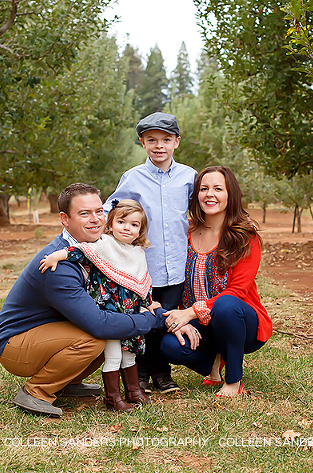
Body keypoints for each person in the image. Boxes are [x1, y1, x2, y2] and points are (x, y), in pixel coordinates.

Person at [0, 184, 167, 417]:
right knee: (97, 338)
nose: (95, 220)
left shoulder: (101, 249)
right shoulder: (58, 265)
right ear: (65, 219)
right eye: (84, 214)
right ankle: (37, 392)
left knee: (109, 335)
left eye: (99, 211)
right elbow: (99, 324)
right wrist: (148, 320)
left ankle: (66, 382)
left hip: (53, 332)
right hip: (16, 343)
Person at [104, 112, 197, 394]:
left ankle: (161, 372)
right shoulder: (133, 178)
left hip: (177, 265)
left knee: (165, 320)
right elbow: (112, 210)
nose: (159, 146)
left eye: (166, 140)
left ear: (176, 142)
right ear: (143, 143)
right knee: (142, 319)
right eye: (152, 140)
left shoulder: (189, 177)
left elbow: (202, 209)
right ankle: (139, 373)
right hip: (144, 265)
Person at [160, 166, 273, 397]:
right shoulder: (186, 231)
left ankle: (233, 380)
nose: (209, 194)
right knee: (168, 346)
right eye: (204, 189)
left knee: (226, 305)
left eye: (218, 189)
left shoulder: (244, 236)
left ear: (230, 195)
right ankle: (214, 362)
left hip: (240, 321)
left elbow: (238, 291)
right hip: (203, 325)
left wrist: (189, 313)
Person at [39, 199, 160, 412]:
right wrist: (57, 255)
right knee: (113, 355)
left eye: (134, 225)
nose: (127, 228)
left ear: (140, 230)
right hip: (109, 312)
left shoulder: (138, 253)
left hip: (130, 313)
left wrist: (148, 304)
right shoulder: (104, 244)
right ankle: (112, 397)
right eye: (122, 222)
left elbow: (142, 282)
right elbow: (80, 251)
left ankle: (133, 392)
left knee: (129, 354)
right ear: (110, 224)